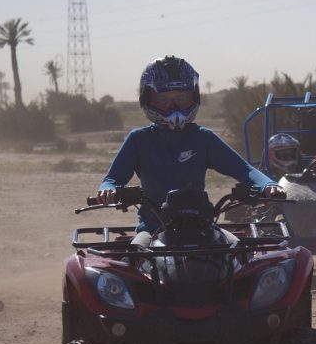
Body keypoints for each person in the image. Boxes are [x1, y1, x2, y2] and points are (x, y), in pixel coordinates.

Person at [97, 56, 283, 241]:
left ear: (193, 96)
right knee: (137, 254)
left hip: (203, 226)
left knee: (239, 253)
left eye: (181, 98)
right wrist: (108, 189)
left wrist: (268, 184)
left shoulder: (203, 138)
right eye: (163, 99)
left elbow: (244, 169)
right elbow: (112, 178)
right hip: (152, 230)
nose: (173, 106)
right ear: (147, 98)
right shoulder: (139, 140)